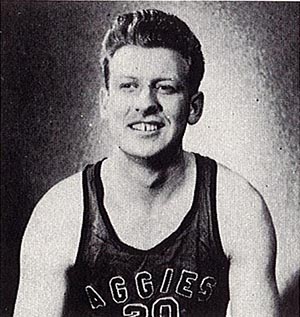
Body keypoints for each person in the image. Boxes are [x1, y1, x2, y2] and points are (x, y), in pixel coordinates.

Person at [14, 9, 280, 317]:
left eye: (165, 87)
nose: (145, 104)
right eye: (129, 86)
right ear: (105, 103)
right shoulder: (58, 214)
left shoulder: (239, 207)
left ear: (194, 107)